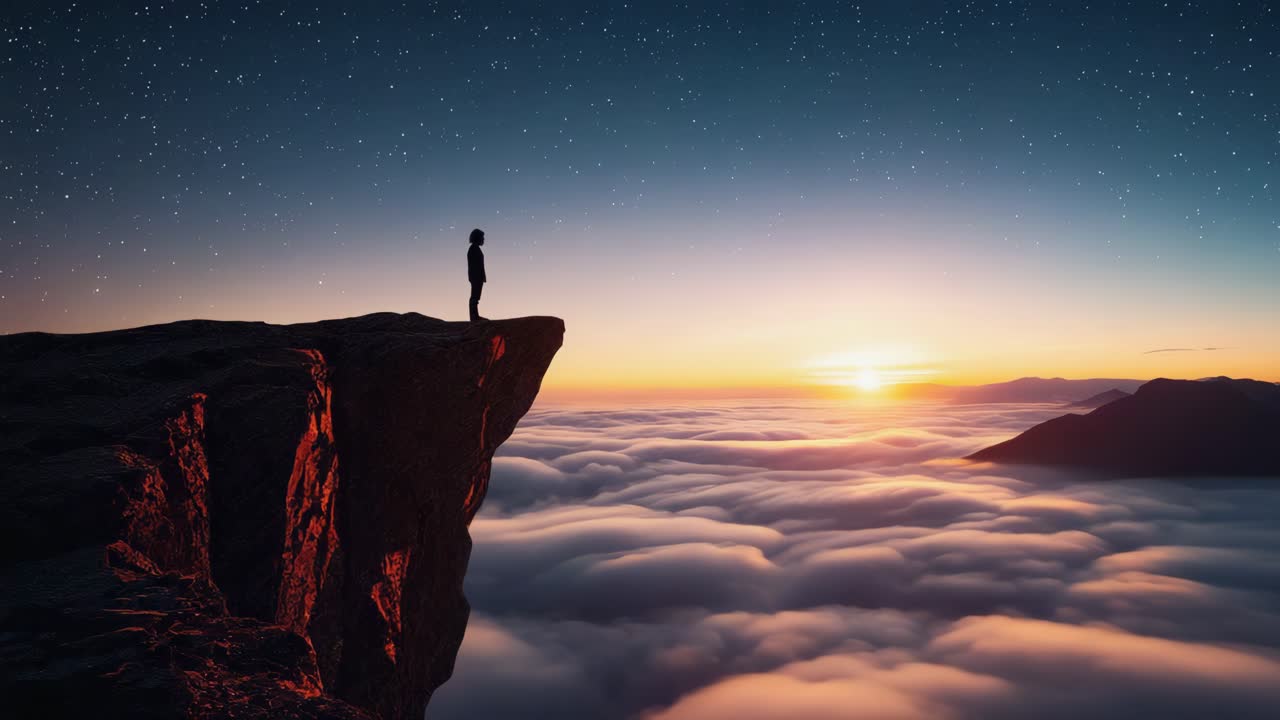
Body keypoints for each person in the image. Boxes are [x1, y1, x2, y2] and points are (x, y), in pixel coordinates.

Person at [467, 228, 487, 322]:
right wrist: (477, 277)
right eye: (482, 237)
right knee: (474, 297)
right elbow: (474, 265)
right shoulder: (474, 249)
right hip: (476, 277)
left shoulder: (475, 248)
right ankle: (474, 317)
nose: (483, 240)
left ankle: (475, 316)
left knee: (476, 297)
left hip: (477, 277)